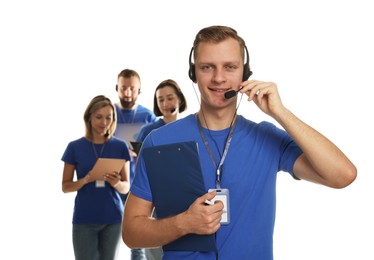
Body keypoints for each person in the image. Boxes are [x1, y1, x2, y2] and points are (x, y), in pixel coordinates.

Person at [122, 25, 357, 259]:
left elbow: (342, 175)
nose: (219, 78)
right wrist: (183, 224)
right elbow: (131, 233)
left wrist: (280, 112)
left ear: (244, 74)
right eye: (207, 67)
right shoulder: (159, 140)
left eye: (230, 67)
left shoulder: (267, 137)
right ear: (193, 73)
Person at [61, 95, 131, 260]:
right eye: (99, 117)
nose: (104, 122)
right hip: (84, 219)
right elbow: (65, 186)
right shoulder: (74, 147)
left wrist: (116, 183)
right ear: (89, 117)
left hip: (112, 219)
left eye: (109, 117)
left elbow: (126, 186)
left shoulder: (120, 146)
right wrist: (85, 180)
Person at [136, 79, 187, 260]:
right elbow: (140, 170)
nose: (165, 104)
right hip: (157, 200)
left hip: (186, 200)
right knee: (156, 253)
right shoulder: (148, 131)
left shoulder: (192, 127)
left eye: (170, 98)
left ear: (179, 99)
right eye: (160, 100)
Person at [114, 68, 157, 260]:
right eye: (124, 88)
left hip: (140, 185)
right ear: (117, 88)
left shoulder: (148, 118)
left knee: (138, 239)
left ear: (139, 90)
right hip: (113, 183)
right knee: (111, 234)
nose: (128, 93)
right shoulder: (109, 114)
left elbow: (158, 149)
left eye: (132, 88)